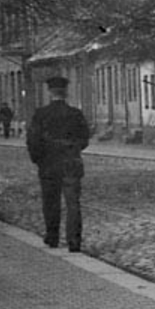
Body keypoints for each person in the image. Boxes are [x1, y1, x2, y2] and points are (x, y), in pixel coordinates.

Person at [26, 76, 91, 252]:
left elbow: (33, 140)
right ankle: (74, 241)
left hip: (48, 164)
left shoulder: (41, 114)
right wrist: (73, 149)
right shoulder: (75, 114)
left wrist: (38, 159)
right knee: (73, 203)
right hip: (71, 162)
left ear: (50, 92)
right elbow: (85, 139)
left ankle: (52, 236)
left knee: (50, 202)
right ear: (66, 92)